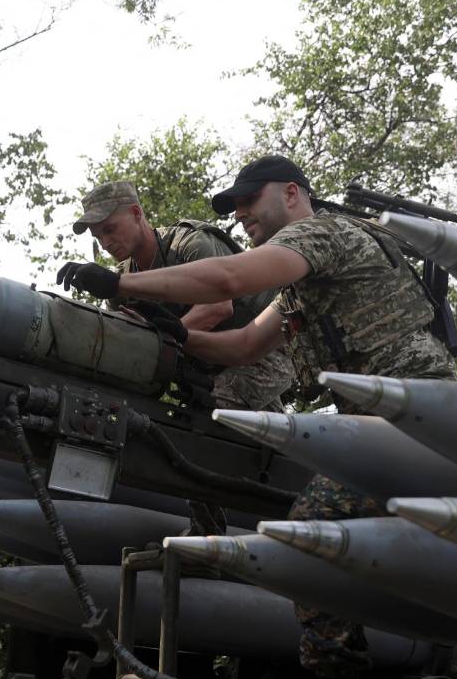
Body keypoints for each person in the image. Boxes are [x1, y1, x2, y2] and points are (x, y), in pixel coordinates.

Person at [56, 155, 457, 679]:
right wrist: (177, 332)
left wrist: (121, 288)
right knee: (449, 586)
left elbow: (227, 277)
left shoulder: (323, 234)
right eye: (235, 208)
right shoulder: (303, 282)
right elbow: (244, 345)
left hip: (415, 427)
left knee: (312, 534)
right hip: (390, 431)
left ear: (293, 194)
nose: (242, 216)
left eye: (250, 202)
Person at [72, 180, 293, 537]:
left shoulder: (190, 243)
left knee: (202, 423)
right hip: (208, 369)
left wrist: (159, 343)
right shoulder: (124, 281)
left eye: (110, 229)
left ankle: (207, 535)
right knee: (273, 448)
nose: (106, 242)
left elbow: (219, 307)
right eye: (98, 237)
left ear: (137, 213)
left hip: (265, 351)